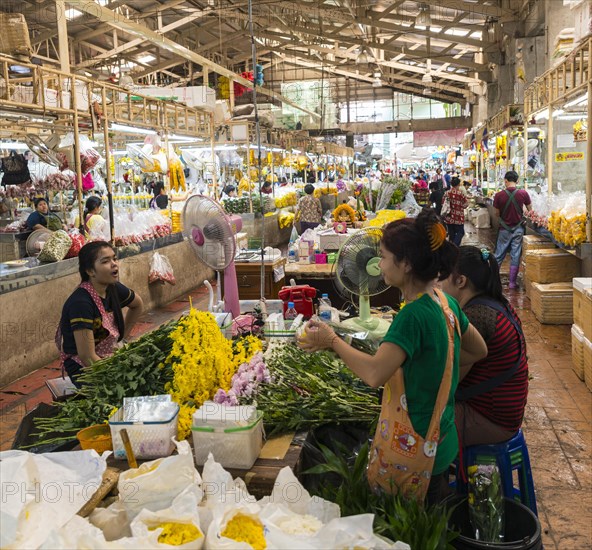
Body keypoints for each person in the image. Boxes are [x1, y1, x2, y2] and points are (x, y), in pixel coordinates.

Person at [298, 209, 487, 505]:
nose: (380, 264)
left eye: (384, 256)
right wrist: (436, 368)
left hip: (417, 447)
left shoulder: (412, 316)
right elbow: (478, 350)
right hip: (443, 436)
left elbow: (374, 374)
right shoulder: (444, 301)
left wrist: (331, 340)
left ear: (407, 263)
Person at [442, 246, 529, 446]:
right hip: (502, 413)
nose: (438, 281)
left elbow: (450, 380)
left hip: (491, 420)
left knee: (414, 423)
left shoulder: (476, 318)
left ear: (461, 281)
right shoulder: (495, 304)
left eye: (443, 275)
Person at [57, 241, 143, 387]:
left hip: (107, 355)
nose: (114, 264)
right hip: (83, 366)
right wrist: (117, 376)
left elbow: (137, 305)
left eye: (114, 258)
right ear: (90, 271)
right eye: (105, 261)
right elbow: (87, 356)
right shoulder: (81, 303)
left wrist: (122, 339)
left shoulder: (113, 288)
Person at [493, 171, 532, 289]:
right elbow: (530, 210)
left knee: (499, 254)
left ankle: (493, 280)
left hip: (504, 229)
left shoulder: (499, 195)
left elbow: (496, 213)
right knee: (515, 255)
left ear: (505, 180)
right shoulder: (523, 193)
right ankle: (512, 283)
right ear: (517, 181)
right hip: (518, 229)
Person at [442, 177, 468, 247]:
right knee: (460, 232)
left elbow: (443, 203)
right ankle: (454, 246)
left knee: (451, 234)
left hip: (449, 217)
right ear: (459, 184)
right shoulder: (460, 193)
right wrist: (460, 206)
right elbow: (466, 204)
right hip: (458, 217)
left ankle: (450, 250)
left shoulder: (446, 193)